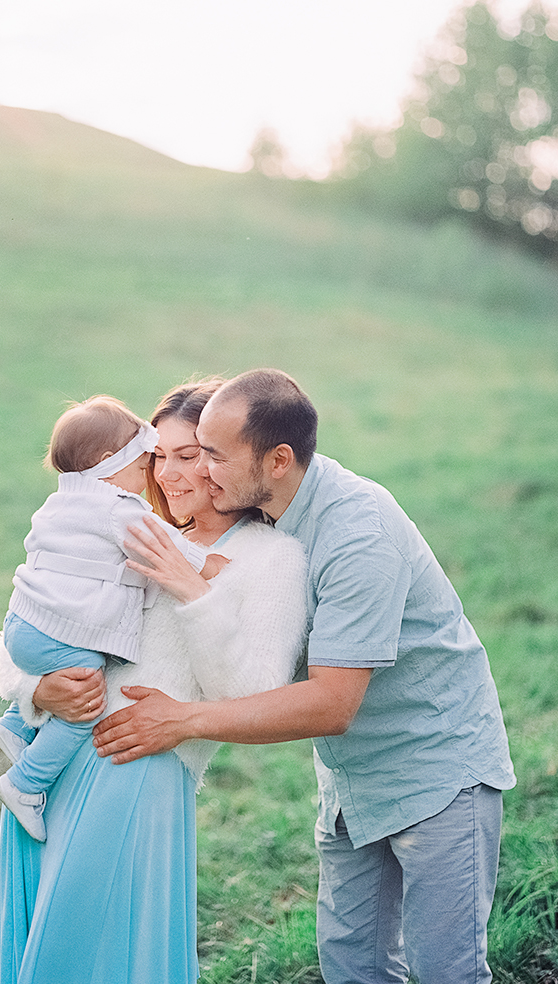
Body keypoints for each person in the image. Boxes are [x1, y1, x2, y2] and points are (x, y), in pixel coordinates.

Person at [93, 367, 517, 984]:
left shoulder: (356, 532)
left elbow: (331, 704)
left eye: (213, 454)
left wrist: (182, 722)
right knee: (352, 967)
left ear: (277, 460)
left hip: (437, 773)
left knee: (446, 972)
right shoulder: (263, 518)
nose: (200, 471)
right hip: (352, 783)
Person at [0, 379, 308, 984]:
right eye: (157, 456)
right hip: (43, 770)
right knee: (39, 950)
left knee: (89, 957)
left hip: (134, 771)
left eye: (191, 455)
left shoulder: (271, 560)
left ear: (227, 457)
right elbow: (26, 631)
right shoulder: (127, 529)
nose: (169, 474)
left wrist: (195, 593)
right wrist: (36, 691)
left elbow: (251, 698)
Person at [0, 394, 213, 842]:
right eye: (152, 458)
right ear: (112, 462)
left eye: (187, 456)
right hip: (78, 755)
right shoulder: (120, 512)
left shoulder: (61, 505)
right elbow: (164, 544)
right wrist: (208, 567)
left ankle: (13, 726)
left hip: (24, 628)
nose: (157, 475)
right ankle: (26, 783)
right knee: (84, 708)